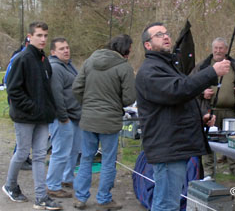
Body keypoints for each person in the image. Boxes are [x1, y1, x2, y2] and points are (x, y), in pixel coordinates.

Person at [136, 22, 230, 211]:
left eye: (166, 33)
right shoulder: (150, 70)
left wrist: (199, 117)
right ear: (148, 45)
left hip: (175, 145)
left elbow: (179, 99)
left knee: (165, 201)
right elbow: (178, 90)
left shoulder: (166, 65)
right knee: (166, 203)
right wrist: (212, 72)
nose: (166, 36)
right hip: (167, 147)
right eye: (159, 35)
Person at [72, 34, 136, 210]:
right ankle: (104, 198)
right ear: (126, 50)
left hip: (89, 118)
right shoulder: (124, 68)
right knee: (108, 161)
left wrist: (87, 104)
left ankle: (80, 198)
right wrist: (116, 104)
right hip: (110, 120)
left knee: (86, 158)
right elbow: (130, 97)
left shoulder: (89, 61)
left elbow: (76, 88)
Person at [2, 21, 62, 210]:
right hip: (24, 116)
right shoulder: (22, 58)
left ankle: (41, 197)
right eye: (39, 35)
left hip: (43, 117)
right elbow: (13, 89)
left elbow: (47, 89)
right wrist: (33, 107)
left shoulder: (44, 61)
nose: (43, 39)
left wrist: (50, 110)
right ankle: (10, 185)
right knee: (22, 152)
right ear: (30, 36)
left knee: (39, 156)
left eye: (45, 35)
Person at [192, 37, 235, 180]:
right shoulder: (203, 66)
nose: (218, 51)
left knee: (234, 140)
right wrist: (202, 93)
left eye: (221, 48)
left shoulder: (234, 66)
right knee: (208, 142)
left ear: (226, 50)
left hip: (231, 111)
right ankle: (209, 171)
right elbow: (189, 84)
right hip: (210, 110)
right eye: (216, 48)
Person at [46, 37, 82, 198]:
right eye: (62, 49)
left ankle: (67, 178)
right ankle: (52, 185)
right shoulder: (55, 68)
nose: (66, 50)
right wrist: (63, 117)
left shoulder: (69, 65)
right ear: (53, 52)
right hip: (62, 118)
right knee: (60, 152)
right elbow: (56, 95)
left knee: (74, 151)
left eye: (67, 47)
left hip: (75, 116)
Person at [4, 36, 33, 171]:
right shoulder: (18, 58)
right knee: (23, 133)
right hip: (19, 102)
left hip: (26, 100)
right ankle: (20, 158)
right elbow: (8, 81)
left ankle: (23, 156)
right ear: (27, 43)